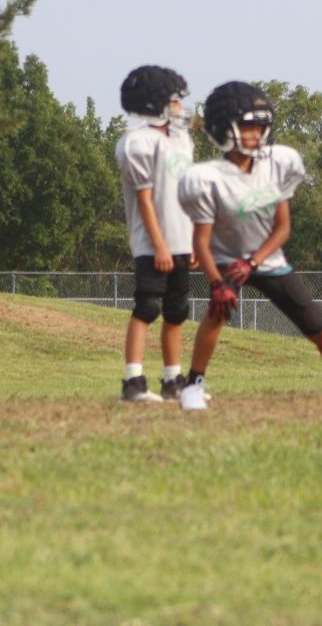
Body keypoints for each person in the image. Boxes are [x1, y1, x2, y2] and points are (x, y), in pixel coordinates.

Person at [174, 81, 322, 411]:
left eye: (262, 126)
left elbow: (282, 228)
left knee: (314, 323)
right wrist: (219, 283)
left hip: (266, 258)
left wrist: (253, 262)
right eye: (249, 126)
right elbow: (201, 243)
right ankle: (193, 385)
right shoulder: (207, 178)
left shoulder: (278, 164)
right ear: (224, 128)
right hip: (227, 257)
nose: (258, 134)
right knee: (217, 312)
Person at [115, 65, 196, 403]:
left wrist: (192, 240)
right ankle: (133, 381)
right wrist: (160, 245)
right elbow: (145, 199)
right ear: (156, 103)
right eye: (175, 101)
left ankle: (172, 378)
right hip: (152, 244)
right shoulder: (137, 143)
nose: (180, 107)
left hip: (181, 238)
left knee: (177, 310)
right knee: (147, 307)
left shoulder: (181, 140)